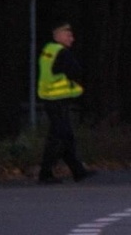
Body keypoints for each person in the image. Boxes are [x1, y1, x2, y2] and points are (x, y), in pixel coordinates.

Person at [37, 22, 92, 184]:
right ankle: (45, 173)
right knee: (57, 138)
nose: (72, 39)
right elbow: (76, 71)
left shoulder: (48, 50)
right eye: (69, 35)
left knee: (65, 135)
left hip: (49, 98)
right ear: (59, 36)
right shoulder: (62, 53)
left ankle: (78, 171)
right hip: (58, 100)